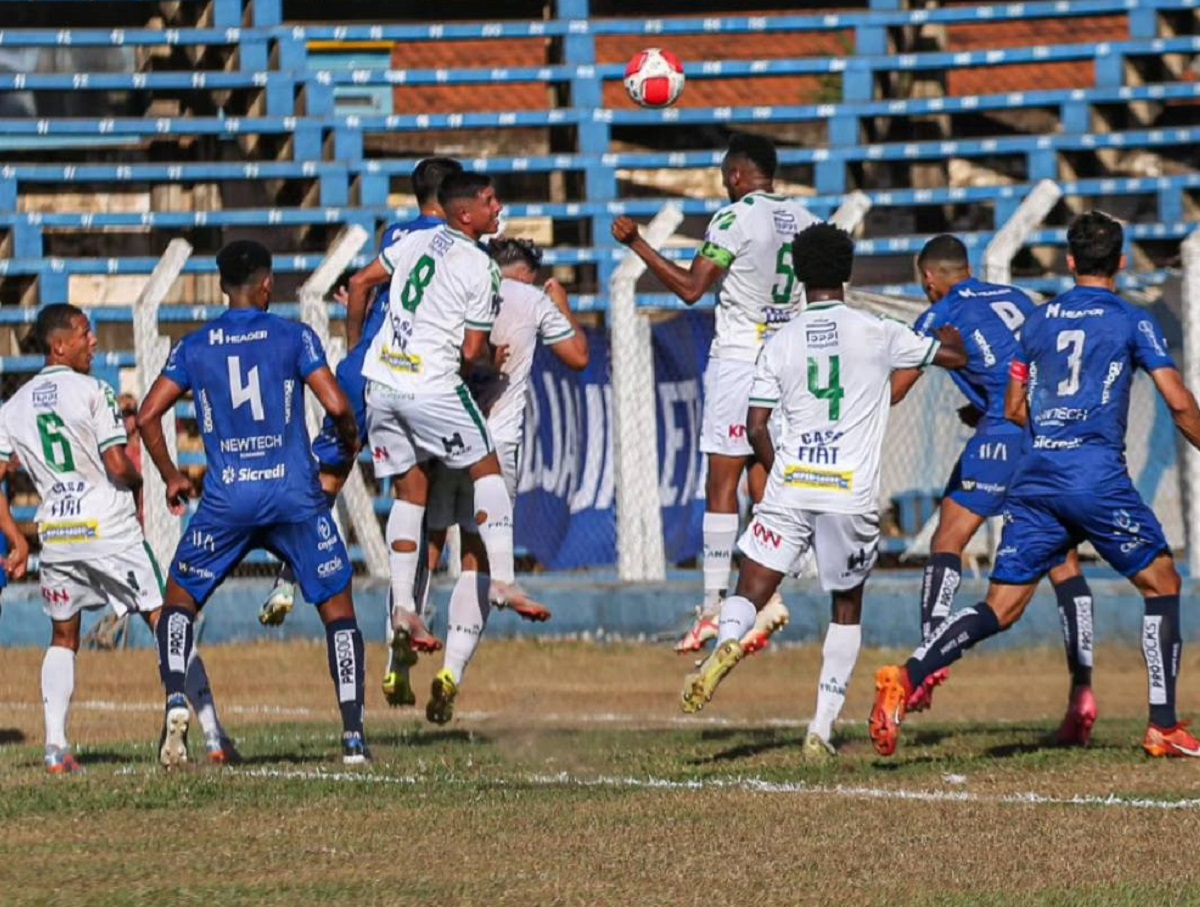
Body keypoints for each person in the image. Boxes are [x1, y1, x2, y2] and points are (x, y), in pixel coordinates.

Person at [871, 211, 1200, 759]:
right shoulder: (1131, 320)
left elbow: (1013, 406)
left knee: (1001, 606)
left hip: (1036, 473)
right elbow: (1180, 404)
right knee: (1162, 582)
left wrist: (1050, 432)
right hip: (1095, 476)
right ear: (1120, 261)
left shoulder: (1038, 322)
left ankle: (907, 677)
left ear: (1069, 262)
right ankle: (1161, 723)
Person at [679, 223, 967, 759]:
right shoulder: (876, 329)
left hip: (791, 485)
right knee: (846, 606)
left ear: (801, 277)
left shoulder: (780, 340)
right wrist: (948, 343)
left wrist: (777, 475)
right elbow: (949, 358)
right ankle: (820, 729)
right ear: (846, 273)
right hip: (848, 493)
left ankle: (724, 649)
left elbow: (756, 426)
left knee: (749, 592)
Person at [137, 240, 370, 767]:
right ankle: (354, 737)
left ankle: (176, 698)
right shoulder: (294, 336)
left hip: (227, 499)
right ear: (266, 285)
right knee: (338, 612)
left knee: (178, 604)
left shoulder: (195, 347)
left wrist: (173, 476)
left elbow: (148, 415)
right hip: (293, 495)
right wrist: (350, 439)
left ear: (222, 286)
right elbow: (336, 404)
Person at [0, 304, 234, 773]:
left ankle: (55, 747)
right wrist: (142, 483)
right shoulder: (93, 391)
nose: (94, 342)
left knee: (64, 635)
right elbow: (115, 463)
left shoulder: (14, 406)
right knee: (166, 618)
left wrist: (16, 541)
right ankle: (212, 734)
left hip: (59, 534)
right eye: (85, 334)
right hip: (109, 527)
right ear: (59, 345)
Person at [613, 133, 819, 656]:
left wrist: (637, 242)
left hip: (742, 359)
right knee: (762, 476)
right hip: (789, 357)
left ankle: (711, 607)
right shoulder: (806, 219)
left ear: (735, 176)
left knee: (722, 481)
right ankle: (765, 596)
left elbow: (690, 287)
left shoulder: (733, 218)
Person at [891, 234, 1099, 745]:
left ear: (928, 279)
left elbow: (894, 390)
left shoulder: (941, 310)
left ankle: (928, 660)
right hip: (1050, 433)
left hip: (1004, 435)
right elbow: (1023, 365)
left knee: (949, 537)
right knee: (1062, 562)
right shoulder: (1014, 297)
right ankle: (1083, 694)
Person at [259, 156, 464, 628]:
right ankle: (406, 617)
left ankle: (286, 577)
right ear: (457, 197)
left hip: (360, 370)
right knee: (418, 495)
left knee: (328, 478)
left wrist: (354, 349)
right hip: (412, 377)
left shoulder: (394, 235)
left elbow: (362, 286)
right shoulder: (458, 244)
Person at [358, 171, 527, 691]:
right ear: (465, 214)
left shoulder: (412, 239)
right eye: (489, 200)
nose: (498, 207)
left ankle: (405, 609)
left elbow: (364, 281)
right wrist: (485, 363)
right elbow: (472, 353)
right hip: (432, 386)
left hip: (380, 382)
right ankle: (503, 581)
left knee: (411, 492)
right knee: (487, 465)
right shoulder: (481, 265)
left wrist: (354, 347)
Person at [417, 236, 589, 721]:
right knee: (477, 559)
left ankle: (404, 631)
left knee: (428, 539)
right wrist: (563, 305)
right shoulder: (532, 299)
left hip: (442, 432)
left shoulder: (454, 287)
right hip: (494, 445)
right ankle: (452, 669)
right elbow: (577, 355)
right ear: (527, 273)